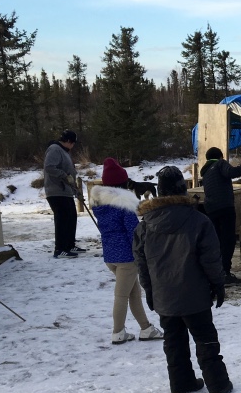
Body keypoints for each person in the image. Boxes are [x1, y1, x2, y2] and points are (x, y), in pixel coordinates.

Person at [134, 166, 233, 393]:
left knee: (173, 342)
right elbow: (211, 259)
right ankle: (218, 384)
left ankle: (181, 382)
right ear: (183, 189)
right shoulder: (198, 220)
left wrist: (149, 290)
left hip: (164, 296)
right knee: (205, 339)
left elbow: (142, 263)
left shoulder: (145, 225)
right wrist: (218, 284)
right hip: (195, 296)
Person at [89, 158, 164, 345]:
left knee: (133, 293)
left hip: (110, 256)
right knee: (122, 295)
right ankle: (118, 332)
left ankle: (146, 328)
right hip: (127, 257)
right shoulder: (125, 205)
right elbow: (135, 233)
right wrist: (144, 252)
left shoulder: (100, 205)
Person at [201, 146, 241, 285]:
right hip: (225, 208)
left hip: (211, 210)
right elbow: (233, 173)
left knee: (217, 241)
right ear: (220, 156)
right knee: (228, 241)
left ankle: (215, 272)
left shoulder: (206, 171)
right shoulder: (220, 164)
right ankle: (225, 273)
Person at [43, 129, 84, 258]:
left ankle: (69, 245)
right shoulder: (55, 149)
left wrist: (75, 189)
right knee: (62, 219)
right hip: (56, 191)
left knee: (71, 217)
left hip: (65, 191)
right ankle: (60, 249)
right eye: (73, 143)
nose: (73, 146)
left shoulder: (64, 151)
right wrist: (65, 176)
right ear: (67, 141)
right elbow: (49, 167)